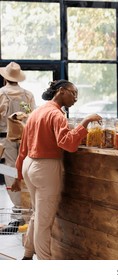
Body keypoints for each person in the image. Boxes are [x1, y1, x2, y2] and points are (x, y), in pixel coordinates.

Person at [11, 80, 102, 260]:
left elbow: (23, 148)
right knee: (45, 221)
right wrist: (85, 122)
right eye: (73, 93)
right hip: (46, 167)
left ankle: (28, 255)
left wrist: (18, 175)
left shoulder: (36, 112)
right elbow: (67, 144)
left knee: (38, 213)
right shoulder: (57, 115)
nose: (75, 98)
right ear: (61, 91)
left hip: (30, 165)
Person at [0, 62, 36, 212]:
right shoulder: (28, 95)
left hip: (4, 138)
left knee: (8, 169)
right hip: (25, 138)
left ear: (5, 77)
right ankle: (27, 205)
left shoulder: (1, 93)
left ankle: (17, 206)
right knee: (25, 169)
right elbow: (33, 117)